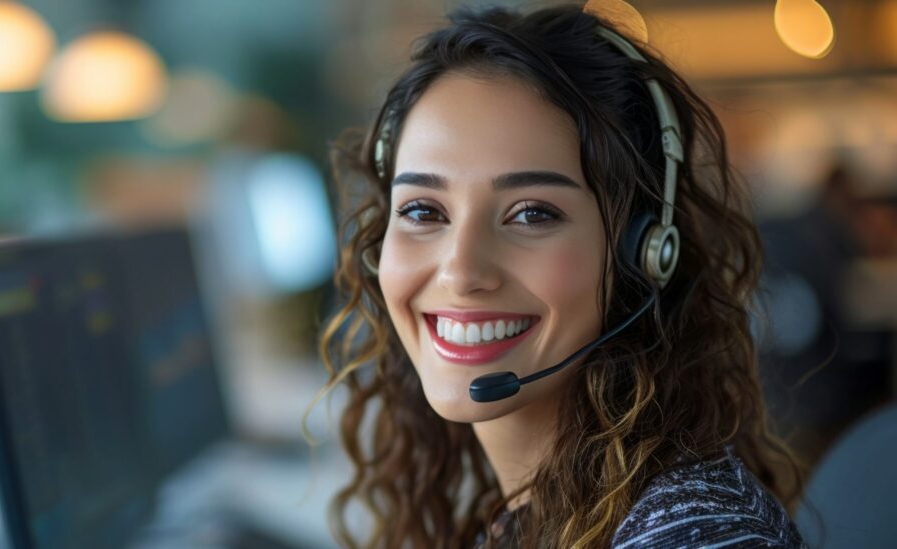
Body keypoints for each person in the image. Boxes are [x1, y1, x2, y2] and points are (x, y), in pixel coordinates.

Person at [316, 5, 803, 547]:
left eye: (531, 213)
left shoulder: (689, 535)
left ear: (640, 252)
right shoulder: (529, 518)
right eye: (423, 211)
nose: (460, 271)